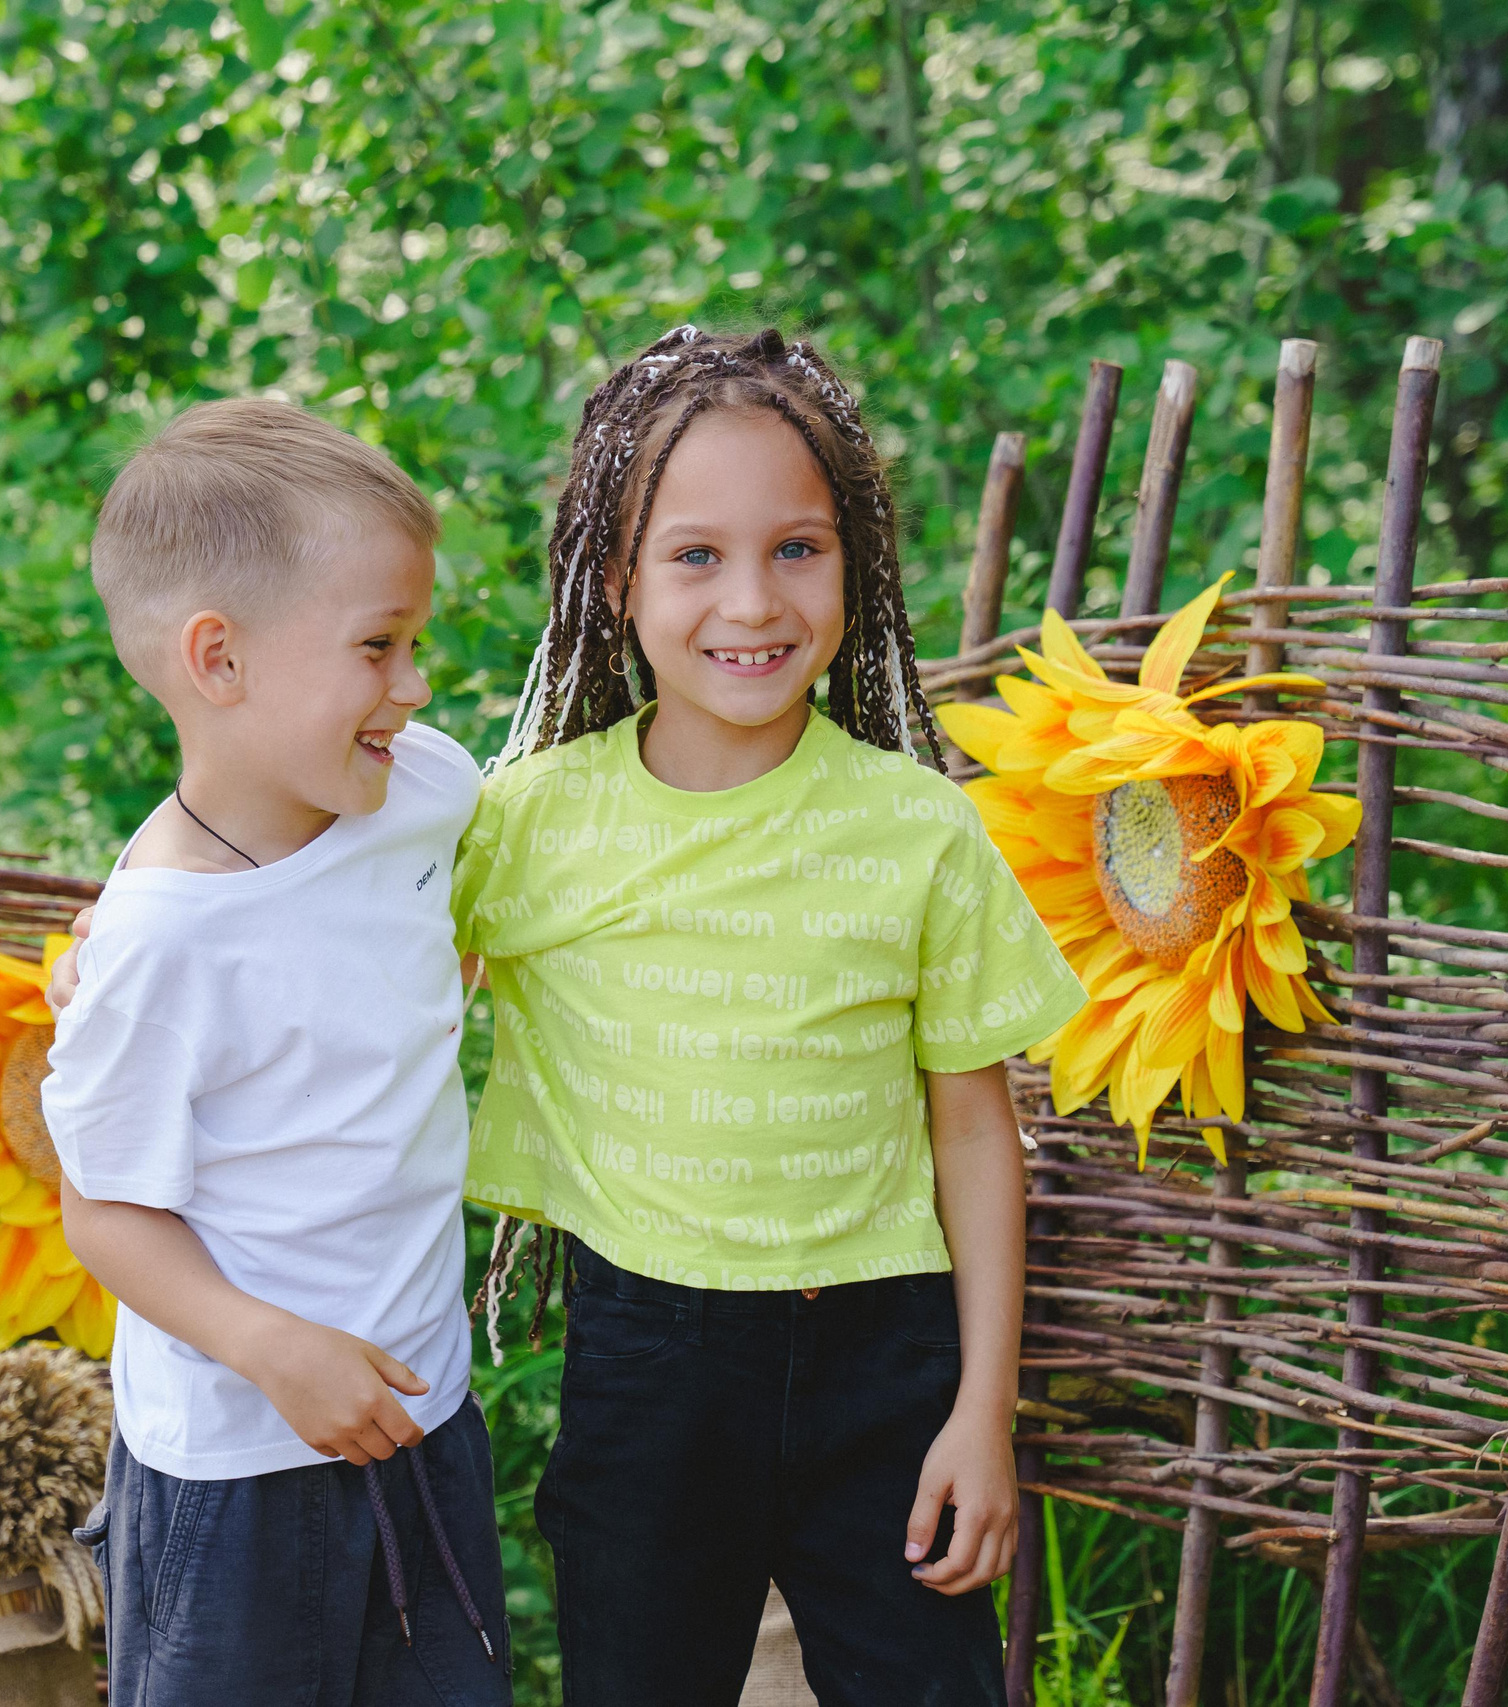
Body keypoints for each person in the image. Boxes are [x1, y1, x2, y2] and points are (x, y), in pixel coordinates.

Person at [458, 325, 1083, 1706]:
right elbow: (350, 974)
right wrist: (128, 930)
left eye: (798, 548)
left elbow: (977, 1137)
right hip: (649, 1368)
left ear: (853, 564)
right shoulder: (526, 824)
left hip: (888, 1363)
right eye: (696, 556)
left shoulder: (919, 829)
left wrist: (983, 1412)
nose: (753, 601)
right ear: (616, 583)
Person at [40, 399, 509, 1707]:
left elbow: (441, 937)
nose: (415, 686)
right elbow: (104, 1210)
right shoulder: (161, 943)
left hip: (421, 1407)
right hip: (236, 1462)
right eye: (377, 647)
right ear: (219, 660)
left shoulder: (421, 790)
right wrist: (268, 1344)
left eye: (415, 642)